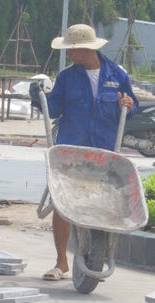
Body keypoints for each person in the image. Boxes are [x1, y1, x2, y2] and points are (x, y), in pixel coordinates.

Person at [30, 23, 136, 281]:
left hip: (103, 151)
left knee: (100, 204)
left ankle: (101, 250)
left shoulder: (117, 75)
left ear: (86, 49)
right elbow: (53, 109)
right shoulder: (67, 77)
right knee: (63, 204)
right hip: (71, 150)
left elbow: (130, 105)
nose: (69, 55)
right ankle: (61, 262)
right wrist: (38, 98)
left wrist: (129, 104)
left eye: (72, 50)